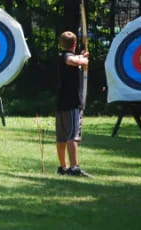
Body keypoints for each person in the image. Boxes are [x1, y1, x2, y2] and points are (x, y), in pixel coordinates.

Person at [55, 31, 91, 177]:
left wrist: (82, 59)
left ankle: (63, 167)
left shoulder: (64, 56)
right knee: (71, 136)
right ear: (74, 44)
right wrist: (83, 59)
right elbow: (72, 60)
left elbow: (78, 62)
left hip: (61, 102)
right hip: (71, 103)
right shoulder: (66, 57)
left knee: (62, 137)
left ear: (60, 43)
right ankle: (73, 167)